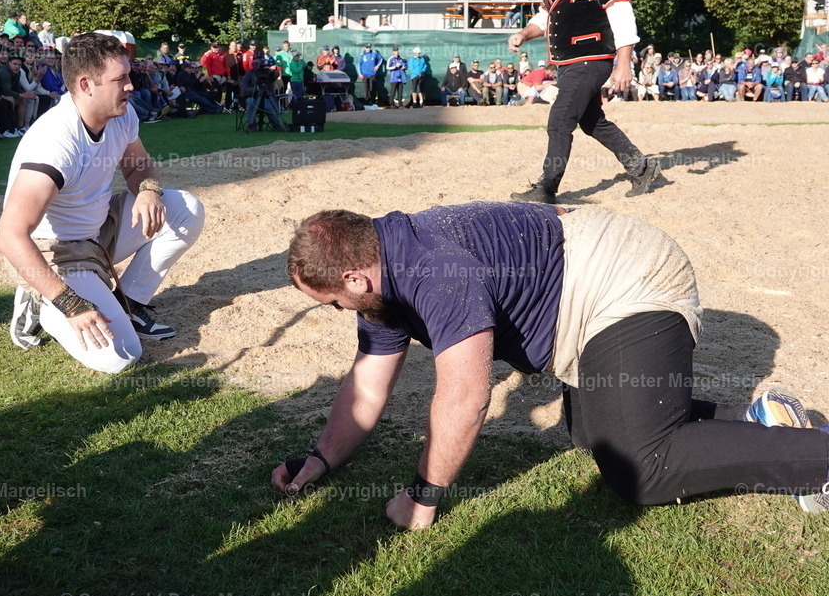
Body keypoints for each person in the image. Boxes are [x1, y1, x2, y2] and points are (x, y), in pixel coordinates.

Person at [273, 203, 829, 530]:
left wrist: (425, 495)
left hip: (627, 276)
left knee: (640, 467)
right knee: (590, 429)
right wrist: (321, 458)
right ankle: (762, 419)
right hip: (587, 283)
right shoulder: (380, 279)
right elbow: (368, 387)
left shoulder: (431, 270)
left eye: (332, 302)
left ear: (353, 278)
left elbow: (466, 397)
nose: (338, 312)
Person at [0, 33, 205, 374]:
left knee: (186, 209)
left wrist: (149, 191)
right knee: (119, 356)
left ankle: (129, 304)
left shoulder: (121, 113)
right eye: (120, 78)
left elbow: (139, 165)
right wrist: (70, 304)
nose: (130, 86)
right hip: (56, 253)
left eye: (129, 75)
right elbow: (10, 235)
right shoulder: (55, 142)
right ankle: (39, 297)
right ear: (85, 84)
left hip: (99, 229)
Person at [508, 0, 658, 204]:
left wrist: (623, 63)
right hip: (567, 64)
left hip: (592, 59)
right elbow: (544, 17)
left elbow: (622, 18)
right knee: (591, 122)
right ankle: (641, 167)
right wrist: (524, 34)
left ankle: (546, 188)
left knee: (560, 120)